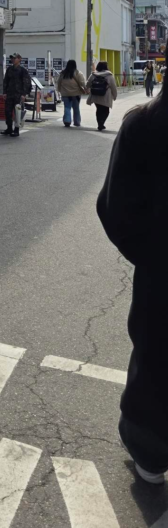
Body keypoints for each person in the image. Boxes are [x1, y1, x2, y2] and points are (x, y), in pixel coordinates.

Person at [97, 87, 168, 483]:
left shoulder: (144, 124)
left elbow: (114, 206)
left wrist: (152, 255)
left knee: (157, 357)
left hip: (162, 275)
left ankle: (150, 454)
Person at [2, 54, 32, 136]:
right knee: (7, 111)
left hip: (18, 95)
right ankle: (9, 128)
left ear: (19, 59)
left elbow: (26, 82)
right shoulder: (9, 69)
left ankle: (16, 129)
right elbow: (6, 81)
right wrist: (4, 92)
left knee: (17, 112)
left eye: (15, 58)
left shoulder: (22, 70)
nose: (13, 59)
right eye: (12, 58)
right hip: (9, 94)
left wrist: (24, 94)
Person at [87, 60, 117, 130]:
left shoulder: (93, 74)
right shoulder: (109, 76)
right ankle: (101, 123)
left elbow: (88, 83)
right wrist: (114, 95)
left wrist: (88, 88)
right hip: (105, 96)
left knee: (99, 110)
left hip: (95, 95)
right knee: (106, 111)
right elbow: (113, 87)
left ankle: (100, 123)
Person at [57, 59, 87, 127]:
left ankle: (67, 121)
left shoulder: (63, 73)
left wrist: (59, 90)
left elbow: (59, 83)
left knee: (67, 107)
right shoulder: (78, 73)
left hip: (65, 94)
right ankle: (77, 122)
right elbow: (82, 83)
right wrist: (86, 88)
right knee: (76, 108)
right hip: (76, 94)